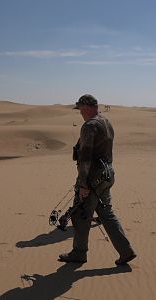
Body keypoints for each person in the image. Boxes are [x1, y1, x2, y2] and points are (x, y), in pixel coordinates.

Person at [58, 94, 136, 265]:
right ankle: (126, 251)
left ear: (86, 108)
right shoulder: (106, 122)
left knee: (80, 215)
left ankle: (79, 253)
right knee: (106, 213)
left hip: (93, 178)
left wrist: (84, 184)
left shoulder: (89, 126)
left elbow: (85, 157)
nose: (79, 112)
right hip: (107, 175)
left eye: (80, 108)